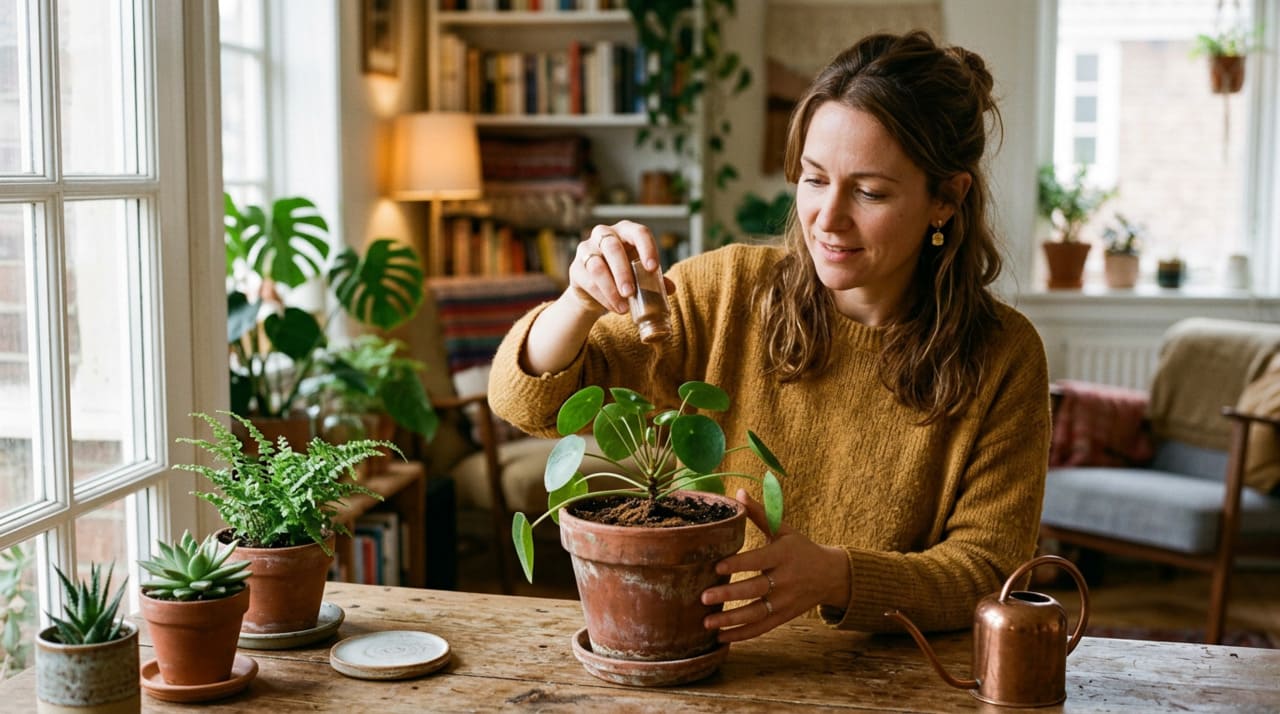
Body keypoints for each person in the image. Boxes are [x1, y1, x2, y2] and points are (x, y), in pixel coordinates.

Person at [487, 30, 1050, 641]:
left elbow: (991, 571)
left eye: (869, 192)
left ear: (946, 198)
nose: (827, 220)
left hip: (897, 680)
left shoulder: (1004, 356)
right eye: (813, 179)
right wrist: (578, 302)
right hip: (711, 660)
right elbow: (526, 402)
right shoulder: (727, 291)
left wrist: (837, 577)